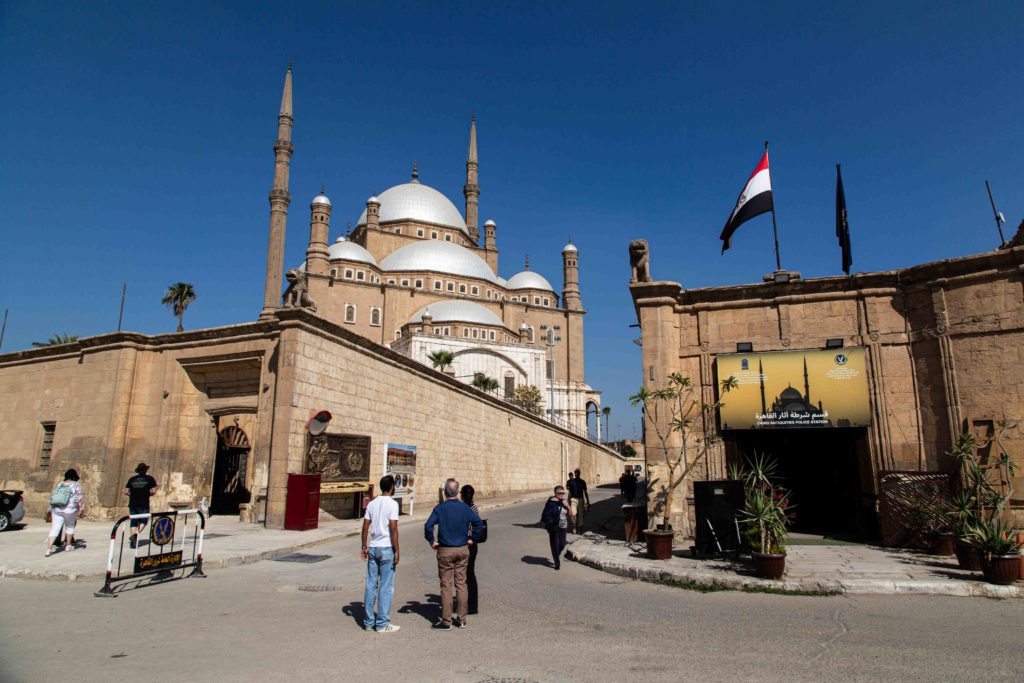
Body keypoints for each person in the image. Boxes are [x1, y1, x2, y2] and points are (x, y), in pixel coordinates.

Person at [424, 478, 482, 631]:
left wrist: (432, 541)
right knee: (461, 584)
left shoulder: (440, 508)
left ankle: (446, 621)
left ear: (445, 492)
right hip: (463, 549)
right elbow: (478, 523)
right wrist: (472, 539)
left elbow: (428, 526)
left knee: (446, 585)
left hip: (445, 550)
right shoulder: (465, 508)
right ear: (457, 492)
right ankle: (462, 619)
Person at [361, 475, 400, 633]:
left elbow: (365, 527)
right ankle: (382, 623)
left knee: (371, 585)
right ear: (391, 487)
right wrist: (397, 550)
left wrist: (364, 546)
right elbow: (393, 528)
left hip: (373, 547)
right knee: (385, 587)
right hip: (386, 548)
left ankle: (368, 622)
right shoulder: (392, 504)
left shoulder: (372, 503)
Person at [46, 469, 85, 557]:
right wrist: (81, 508)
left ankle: (48, 549)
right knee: (70, 527)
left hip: (57, 509)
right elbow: (79, 497)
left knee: (55, 528)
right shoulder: (76, 485)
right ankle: (68, 545)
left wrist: (50, 509)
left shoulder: (60, 484)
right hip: (70, 510)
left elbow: (53, 497)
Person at [124, 463, 157, 548]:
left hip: (133, 503)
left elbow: (126, 491)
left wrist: (132, 494)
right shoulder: (150, 479)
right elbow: (153, 491)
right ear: (145, 470)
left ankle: (133, 538)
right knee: (144, 520)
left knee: (133, 521)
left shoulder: (132, 479)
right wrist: (148, 494)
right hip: (143, 503)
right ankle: (135, 535)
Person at [540, 485, 573, 570]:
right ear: (555, 493)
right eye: (560, 493)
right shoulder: (551, 502)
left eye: (563, 493)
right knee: (554, 544)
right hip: (553, 526)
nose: (562, 495)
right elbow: (545, 514)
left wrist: (568, 507)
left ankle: (555, 556)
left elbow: (570, 515)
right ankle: (557, 563)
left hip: (563, 526)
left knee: (562, 544)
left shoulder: (564, 501)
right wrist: (550, 522)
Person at [460, 484, 481, 615]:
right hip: (472, 544)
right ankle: (472, 606)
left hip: (463, 543)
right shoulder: (474, 508)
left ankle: (464, 604)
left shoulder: (463, 508)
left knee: (462, 575)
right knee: (470, 574)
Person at [566, 468, 590, 534]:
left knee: (581, 515)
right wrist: (568, 502)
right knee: (573, 514)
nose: (576, 474)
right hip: (573, 499)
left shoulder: (582, 482)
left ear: (579, 474)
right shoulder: (572, 482)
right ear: (574, 474)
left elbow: (585, 492)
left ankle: (580, 529)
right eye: (575, 473)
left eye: (577, 473)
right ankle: (574, 527)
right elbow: (570, 492)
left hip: (581, 499)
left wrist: (588, 502)